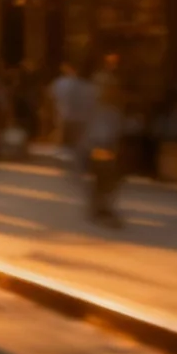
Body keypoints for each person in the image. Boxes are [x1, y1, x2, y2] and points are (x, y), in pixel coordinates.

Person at [83, 55, 126, 228]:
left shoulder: (112, 108)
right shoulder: (99, 106)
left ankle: (101, 207)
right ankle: (100, 208)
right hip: (100, 143)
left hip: (107, 142)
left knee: (108, 177)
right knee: (104, 175)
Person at [48, 61, 93, 183]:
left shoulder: (62, 83)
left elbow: (52, 98)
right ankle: (76, 167)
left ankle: (65, 164)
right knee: (77, 142)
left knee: (64, 140)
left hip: (65, 115)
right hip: (81, 118)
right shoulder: (89, 87)